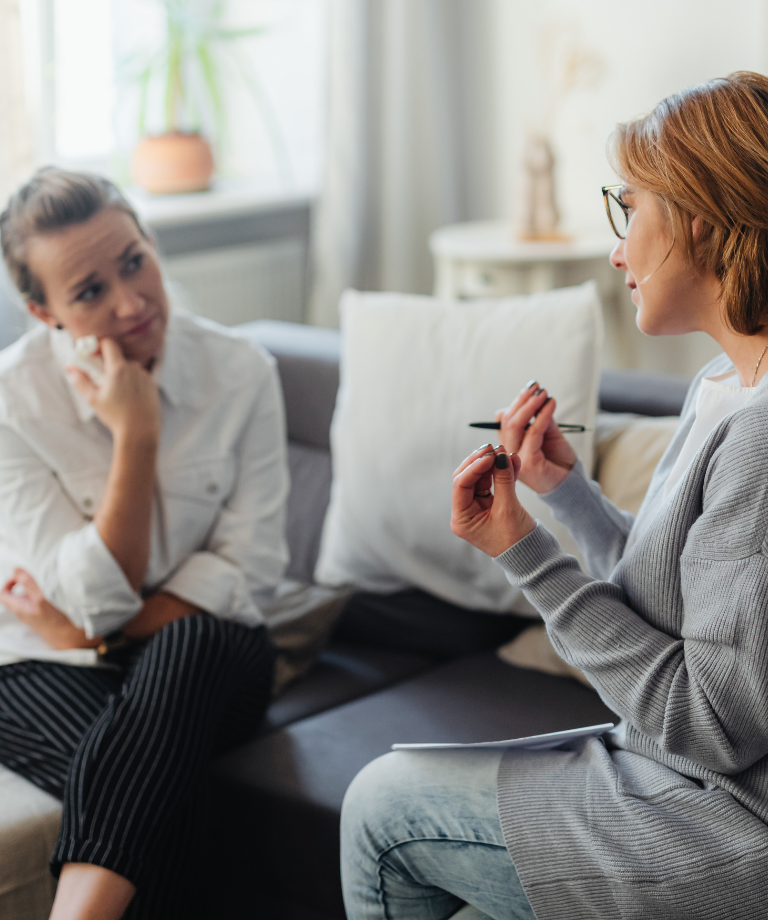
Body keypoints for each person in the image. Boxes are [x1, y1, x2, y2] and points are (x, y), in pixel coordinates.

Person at [341, 71, 768, 920]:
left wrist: (523, 553)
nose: (617, 249)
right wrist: (567, 496)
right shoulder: (726, 383)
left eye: (629, 208)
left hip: (727, 821)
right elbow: (677, 603)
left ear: (701, 216)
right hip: (675, 777)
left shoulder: (759, 435)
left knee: (382, 810)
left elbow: (709, 722)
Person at [0, 168, 288, 919]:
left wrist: (95, 633)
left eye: (134, 260)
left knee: (192, 644)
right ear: (42, 312)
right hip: (39, 660)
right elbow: (88, 604)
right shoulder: (11, 402)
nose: (131, 303)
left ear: (151, 240)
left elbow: (252, 571)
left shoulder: (242, 372)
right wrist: (138, 436)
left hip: (212, 657)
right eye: (89, 292)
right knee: (163, 802)